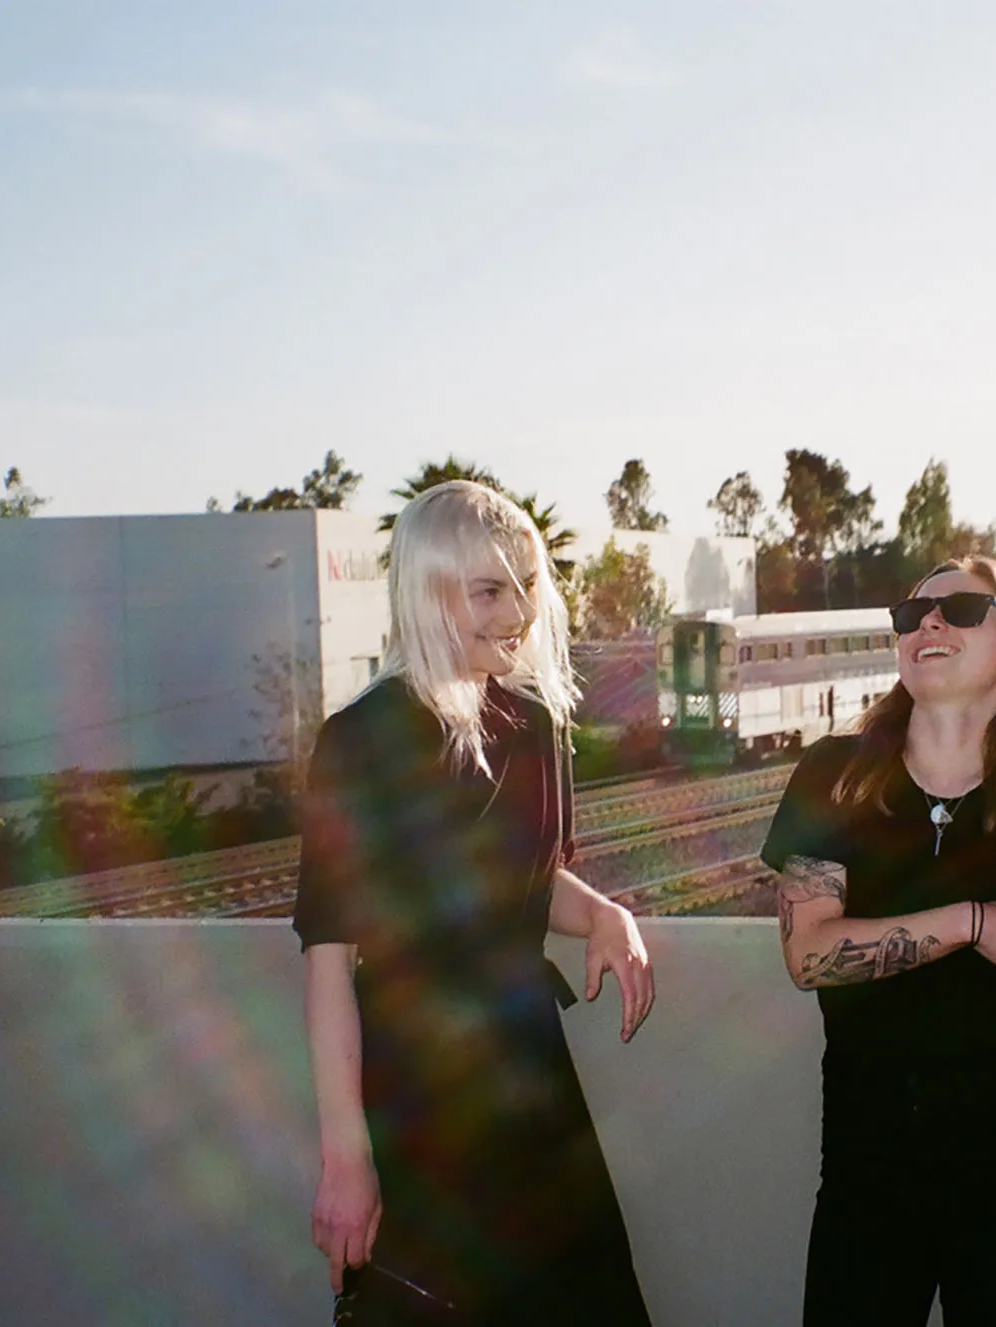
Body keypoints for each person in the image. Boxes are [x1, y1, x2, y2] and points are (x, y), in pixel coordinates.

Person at [294, 481, 656, 1326]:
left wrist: (603, 912)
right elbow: (329, 963)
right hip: (417, 1091)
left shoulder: (536, 722)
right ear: (426, 590)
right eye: (491, 588)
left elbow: (520, 885)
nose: (520, 610)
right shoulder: (360, 742)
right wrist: (346, 1159)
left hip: (530, 1073)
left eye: (527, 584)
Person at [760, 556, 996, 1326]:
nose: (926, 623)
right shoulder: (832, 775)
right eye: (910, 614)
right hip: (867, 1173)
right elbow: (810, 954)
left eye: (961, 607)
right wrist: (976, 922)